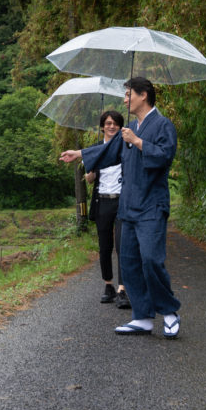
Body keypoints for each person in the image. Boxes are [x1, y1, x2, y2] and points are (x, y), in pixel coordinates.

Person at [110, 76, 180, 339]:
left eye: (128, 94)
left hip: (151, 205)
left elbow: (164, 157)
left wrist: (138, 142)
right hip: (129, 206)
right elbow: (109, 153)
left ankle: (170, 311)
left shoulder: (163, 125)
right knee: (129, 263)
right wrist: (81, 154)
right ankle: (142, 317)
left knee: (151, 260)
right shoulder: (128, 127)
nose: (125, 99)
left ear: (143, 95)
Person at [64, 110, 130, 308]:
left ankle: (122, 289)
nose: (111, 126)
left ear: (120, 127)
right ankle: (108, 285)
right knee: (104, 246)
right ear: (102, 126)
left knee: (122, 246)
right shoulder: (94, 150)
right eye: (108, 123)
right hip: (102, 201)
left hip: (121, 201)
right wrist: (91, 169)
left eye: (115, 123)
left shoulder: (125, 147)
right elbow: (90, 179)